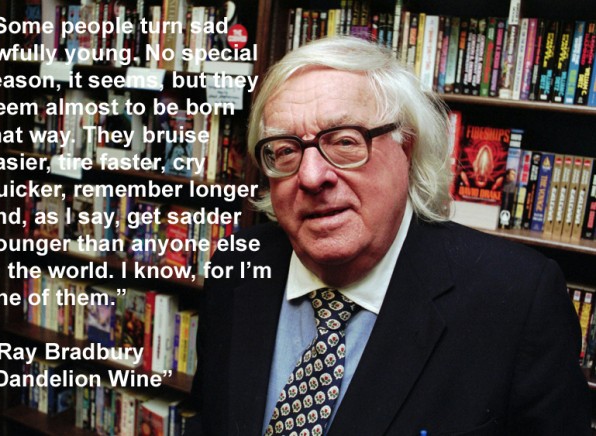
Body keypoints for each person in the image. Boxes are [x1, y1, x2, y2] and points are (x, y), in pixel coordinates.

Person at [191, 36, 591, 435]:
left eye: (345, 141)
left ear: (407, 149)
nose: (311, 176)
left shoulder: (516, 299)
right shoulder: (238, 265)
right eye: (285, 151)